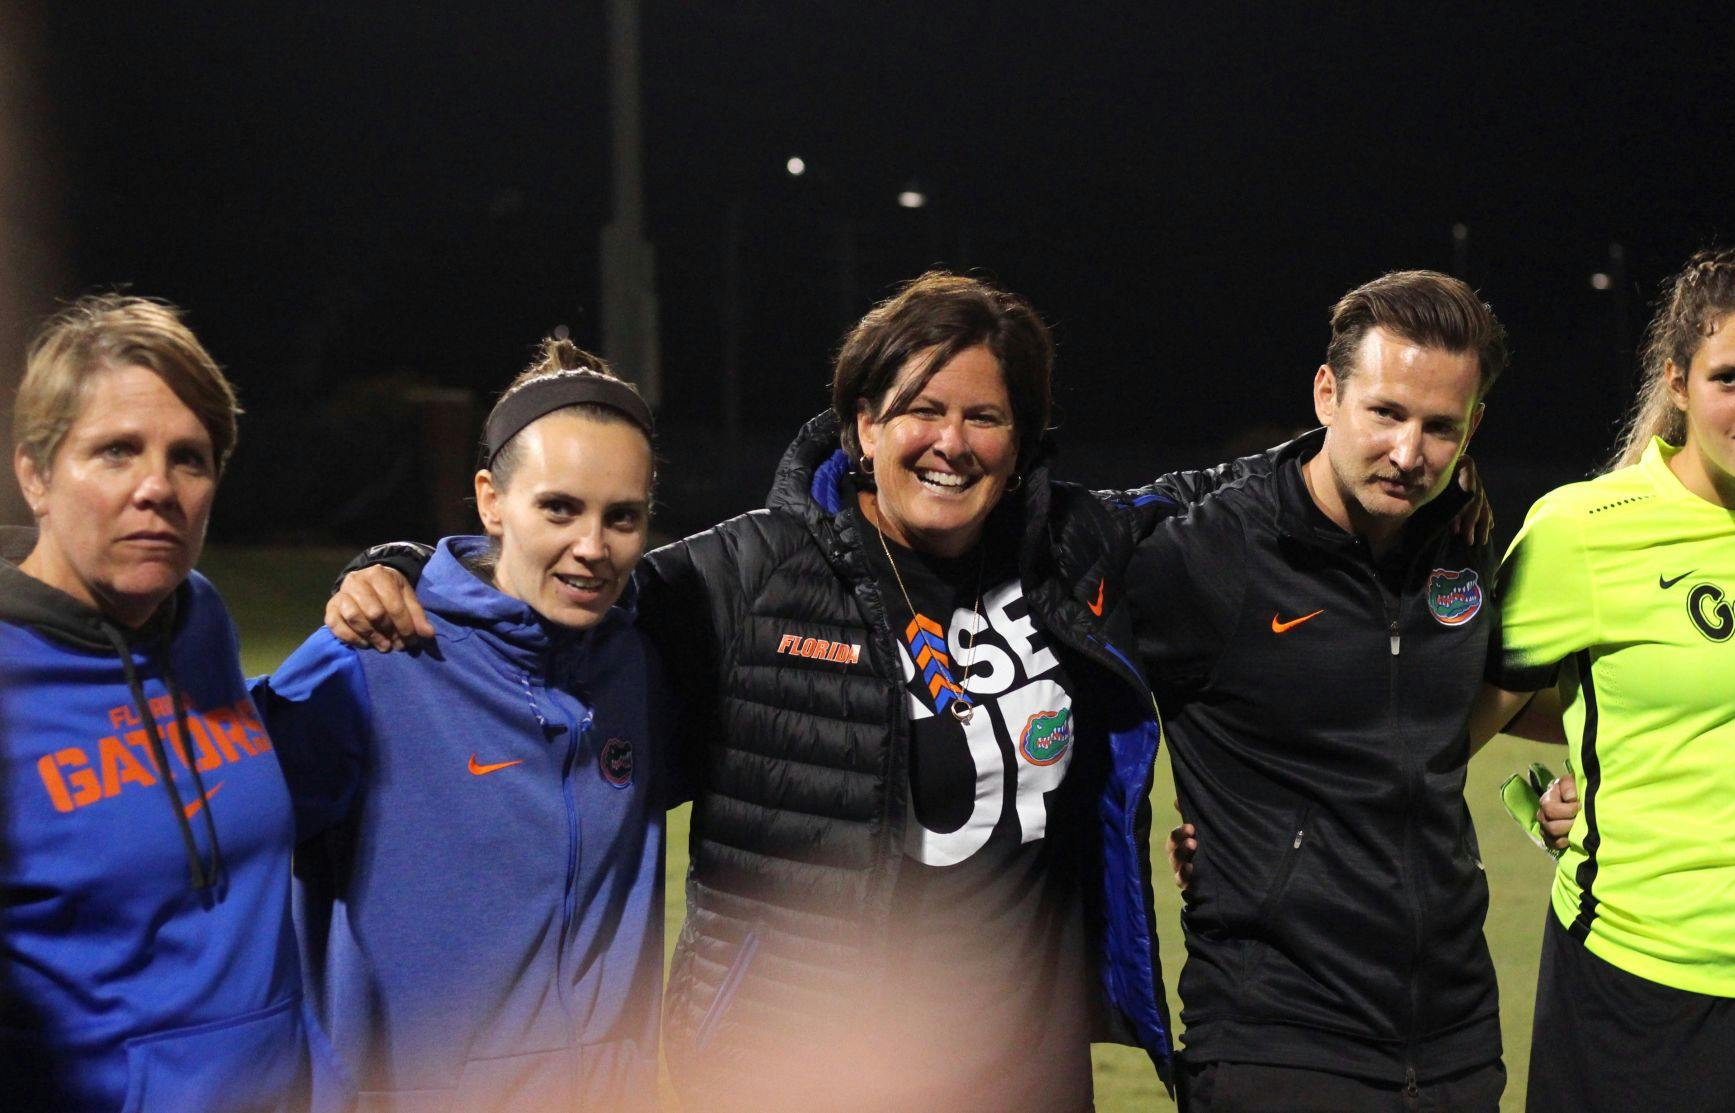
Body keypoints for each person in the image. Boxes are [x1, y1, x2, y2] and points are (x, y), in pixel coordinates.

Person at [328, 271, 1211, 1112]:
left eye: (986, 416)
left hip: (1027, 1072)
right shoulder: (745, 575)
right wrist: (408, 568)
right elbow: (558, 594)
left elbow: (1249, 513)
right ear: (863, 425)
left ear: (1019, 445)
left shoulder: (1075, 551)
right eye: (921, 410)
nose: (952, 441)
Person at [1477, 247, 1735, 1112]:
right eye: (1730, 378)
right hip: (1639, 975)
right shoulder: (1585, 531)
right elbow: (1456, 721)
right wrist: (1558, 787)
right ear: (1678, 382)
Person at [252, 339, 673, 1110]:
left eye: (623, 516)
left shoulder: (642, 669)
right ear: (490, 500)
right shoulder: (372, 659)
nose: (592, 546)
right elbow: (200, 845)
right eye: (559, 507)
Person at [1134, 270, 1511, 1110]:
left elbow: (1474, 705)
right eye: (1385, 413)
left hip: (1455, 1042)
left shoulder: (1462, 543)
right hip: (1278, 1043)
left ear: (1473, 426)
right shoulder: (1215, 552)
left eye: (1441, 427)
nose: (1410, 454)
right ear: (1327, 393)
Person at [0, 296, 342, 1111]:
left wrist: (389, 570)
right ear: (36, 475)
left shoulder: (198, 620)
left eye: (190, 458)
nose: (158, 486)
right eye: (116, 451)